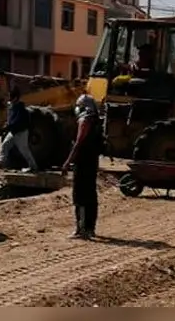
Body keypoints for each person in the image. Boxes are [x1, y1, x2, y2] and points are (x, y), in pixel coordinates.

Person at [62, 94, 104, 240]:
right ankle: (89, 228)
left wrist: (67, 162)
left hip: (83, 162)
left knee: (80, 195)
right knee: (91, 194)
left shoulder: (84, 120)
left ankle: (82, 229)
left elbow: (79, 143)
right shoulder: (97, 121)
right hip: (92, 162)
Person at [0, 87, 39, 173]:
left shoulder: (20, 109)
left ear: (15, 98)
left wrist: (7, 127)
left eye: (11, 97)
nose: (9, 99)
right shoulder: (12, 105)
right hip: (13, 131)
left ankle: (33, 167)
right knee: (5, 145)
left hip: (21, 132)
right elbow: (6, 107)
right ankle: (1, 162)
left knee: (24, 150)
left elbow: (16, 121)